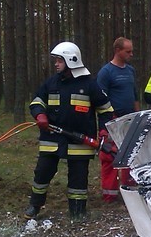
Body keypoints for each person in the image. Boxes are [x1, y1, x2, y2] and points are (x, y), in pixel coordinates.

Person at [25, 41, 114, 220]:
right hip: (51, 139)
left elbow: (106, 111)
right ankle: (35, 205)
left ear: (71, 60)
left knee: (78, 178)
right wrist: (39, 115)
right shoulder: (51, 83)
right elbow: (37, 102)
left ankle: (77, 212)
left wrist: (104, 132)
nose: (56, 64)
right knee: (42, 172)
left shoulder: (89, 85)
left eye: (59, 60)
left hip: (79, 142)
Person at [96, 36, 140, 202]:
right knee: (110, 157)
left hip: (130, 118)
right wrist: (104, 124)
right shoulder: (106, 72)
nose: (131, 54)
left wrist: (137, 114)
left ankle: (129, 188)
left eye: (131, 51)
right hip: (113, 120)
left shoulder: (130, 70)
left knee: (131, 153)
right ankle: (110, 194)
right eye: (128, 51)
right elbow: (101, 99)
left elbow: (134, 94)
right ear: (117, 51)